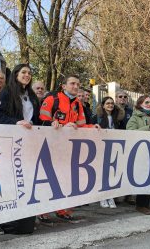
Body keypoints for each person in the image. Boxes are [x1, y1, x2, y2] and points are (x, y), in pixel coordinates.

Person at [39, 75, 99, 221]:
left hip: (69, 148)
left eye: (78, 84)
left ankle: (62, 210)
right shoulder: (52, 100)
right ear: (64, 86)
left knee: (66, 179)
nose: (75, 86)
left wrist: (92, 127)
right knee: (48, 178)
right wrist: (58, 125)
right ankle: (42, 211)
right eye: (72, 83)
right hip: (50, 146)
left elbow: (81, 125)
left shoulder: (78, 104)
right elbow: (41, 122)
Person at [0, 63, 40, 234]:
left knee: (26, 180)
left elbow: (38, 119)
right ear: (15, 75)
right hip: (11, 143)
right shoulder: (6, 92)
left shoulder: (32, 95)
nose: (27, 75)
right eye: (23, 72)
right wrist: (16, 122)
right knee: (12, 180)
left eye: (29, 73)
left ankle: (25, 219)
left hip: (29, 143)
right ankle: (8, 221)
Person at [126, 95, 150, 215]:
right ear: (140, 104)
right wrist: (148, 128)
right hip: (140, 151)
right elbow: (130, 132)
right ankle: (141, 205)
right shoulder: (135, 117)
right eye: (147, 102)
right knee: (143, 178)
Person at [92, 96, 125, 209]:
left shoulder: (118, 118)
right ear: (103, 105)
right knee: (102, 172)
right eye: (107, 103)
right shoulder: (97, 117)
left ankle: (110, 196)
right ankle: (102, 197)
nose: (110, 105)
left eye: (112, 103)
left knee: (111, 171)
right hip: (101, 148)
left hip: (114, 147)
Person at [115, 90, 135, 205]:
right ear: (116, 98)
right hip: (116, 144)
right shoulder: (112, 109)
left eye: (125, 97)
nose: (122, 98)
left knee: (129, 169)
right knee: (116, 170)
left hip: (129, 144)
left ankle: (130, 195)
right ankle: (116, 195)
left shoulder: (131, 112)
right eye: (120, 96)